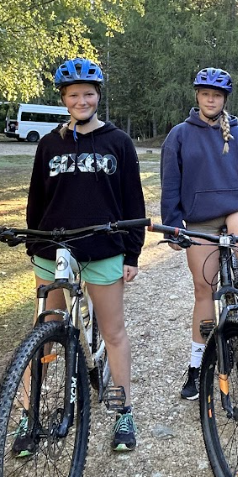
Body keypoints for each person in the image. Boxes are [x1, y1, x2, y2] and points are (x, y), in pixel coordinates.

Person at [25, 57, 146, 451]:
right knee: (44, 331)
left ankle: (124, 410)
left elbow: (133, 200)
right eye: (74, 95)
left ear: (98, 96)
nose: (82, 101)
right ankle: (28, 412)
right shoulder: (49, 144)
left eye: (88, 94)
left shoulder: (118, 142)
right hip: (52, 248)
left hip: (103, 249)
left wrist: (132, 253)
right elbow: (36, 199)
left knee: (113, 331)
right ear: (64, 99)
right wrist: (33, 243)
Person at [160, 67, 238, 400]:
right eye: (205, 94)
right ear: (197, 96)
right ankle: (198, 365)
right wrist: (173, 224)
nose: (210, 100)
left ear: (225, 99)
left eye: (216, 95)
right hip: (199, 219)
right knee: (203, 288)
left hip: (237, 210)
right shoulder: (179, 135)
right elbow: (171, 184)